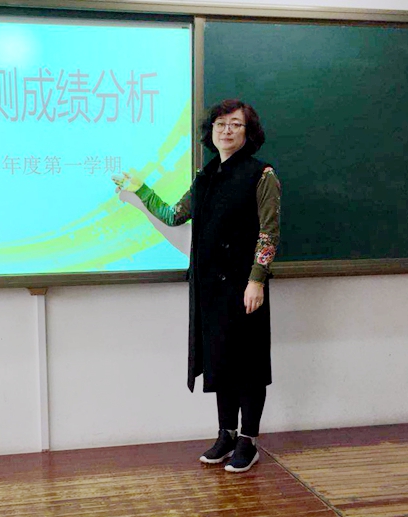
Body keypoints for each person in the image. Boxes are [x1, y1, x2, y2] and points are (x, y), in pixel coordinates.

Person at [113, 99, 281, 473]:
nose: (226, 130)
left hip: (245, 287)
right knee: (220, 361)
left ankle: (248, 441)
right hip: (210, 289)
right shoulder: (205, 176)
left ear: (248, 132)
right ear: (211, 132)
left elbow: (269, 233)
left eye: (235, 124)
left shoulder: (262, 174)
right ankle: (226, 434)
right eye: (220, 123)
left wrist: (257, 280)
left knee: (248, 366)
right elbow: (175, 215)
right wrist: (141, 190)